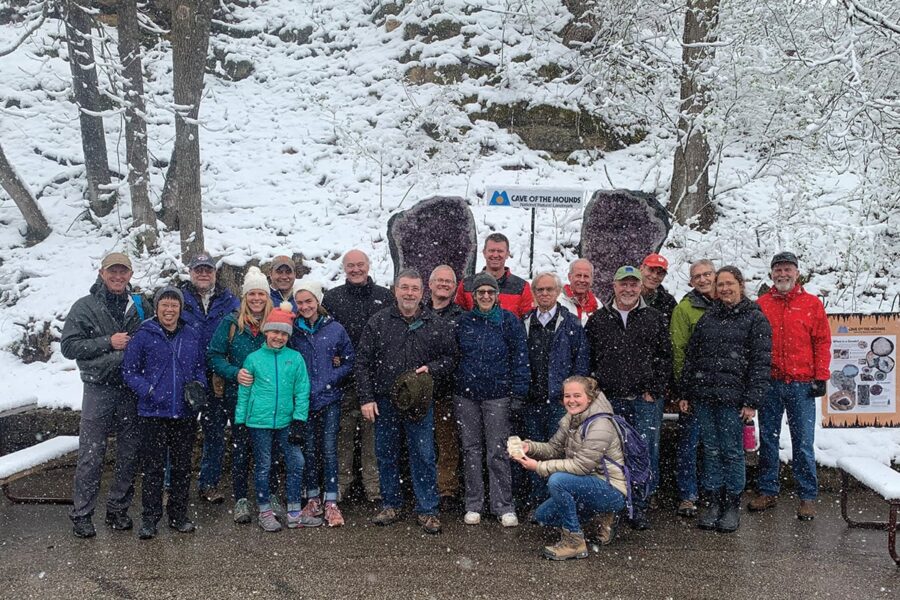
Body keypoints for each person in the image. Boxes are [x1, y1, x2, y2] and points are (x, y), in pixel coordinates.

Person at [355, 268, 457, 534]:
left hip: (419, 403)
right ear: (395, 290)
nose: (409, 293)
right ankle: (391, 504)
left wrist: (432, 368)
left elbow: (451, 358)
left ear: (422, 292)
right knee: (386, 454)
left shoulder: (435, 323)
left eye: (414, 288)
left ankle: (427, 510)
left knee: (423, 455)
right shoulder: (378, 322)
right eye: (405, 288)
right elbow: (363, 362)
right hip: (385, 401)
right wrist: (366, 398)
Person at [60, 252, 151, 538]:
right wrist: (108, 343)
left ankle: (117, 509)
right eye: (112, 271)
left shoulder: (139, 305)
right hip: (98, 390)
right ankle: (82, 515)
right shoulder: (84, 306)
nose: (117, 277)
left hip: (129, 391)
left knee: (129, 452)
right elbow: (70, 346)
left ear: (130, 275)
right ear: (102, 273)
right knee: (91, 454)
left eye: (123, 272)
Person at [681, 266, 772, 533]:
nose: (724, 289)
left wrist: (752, 400)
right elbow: (692, 357)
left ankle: (732, 503)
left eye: (729, 284)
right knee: (710, 450)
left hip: (734, 400)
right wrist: (686, 392)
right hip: (706, 397)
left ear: (741, 285)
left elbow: (761, 363)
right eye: (720, 285)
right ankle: (713, 501)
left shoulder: (755, 318)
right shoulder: (708, 318)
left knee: (732, 453)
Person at [584, 265, 671, 530]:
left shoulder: (655, 317)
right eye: (623, 284)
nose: (629, 289)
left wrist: (654, 389)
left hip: (644, 400)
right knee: (611, 455)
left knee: (644, 452)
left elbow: (665, 357)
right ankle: (614, 505)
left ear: (640, 287)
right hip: (610, 401)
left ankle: (640, 506)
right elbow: (589, 359)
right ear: (614, 286)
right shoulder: (598, 319)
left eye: (633, 284)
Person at [750, 251, 831, 521]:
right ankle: (767, 491)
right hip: (771, 383)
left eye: (788, 269)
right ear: (771, 274)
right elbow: (753, 345)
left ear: (797, 273)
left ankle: (807, 496)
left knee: (803, 443)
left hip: (802, 384)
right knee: (768, 440)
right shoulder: (761, 304)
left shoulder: (811, 304)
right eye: (778, 270)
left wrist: (821, 376)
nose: (783, 274)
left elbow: (821, 341)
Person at [122, 286, 207, 540]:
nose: (169, 310)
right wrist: (148, 390)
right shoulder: (144, 335)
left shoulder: (191, 334)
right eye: (165, 305)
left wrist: (199, 386)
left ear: (180, 309)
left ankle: (178, 515)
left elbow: (201, 367)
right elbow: (129, 372)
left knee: (182, 468)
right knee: (153, 469)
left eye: (174, 305)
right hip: (152, 413)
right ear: (157, 307)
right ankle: (149, 519)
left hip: (184, 413)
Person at [513, 376, 627, 560]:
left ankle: (575, 542)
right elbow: (553, 448)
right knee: (543, 516)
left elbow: (581, 466)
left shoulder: (601, 425)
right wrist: (530, 447)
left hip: (610, 489)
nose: (571, 401)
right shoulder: (572, 418)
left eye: (577, 395)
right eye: (567, 396)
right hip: (584, 485)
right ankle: (599, 518)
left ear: (589, 397)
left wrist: (538, 467)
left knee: (557, 481)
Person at [236, 304, 322, 532]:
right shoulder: (253, 359)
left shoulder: (295, 359)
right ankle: (265, 511)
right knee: (263, 465)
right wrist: (240, 421)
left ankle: (294, 512)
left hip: (286, 422)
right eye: (275, 332)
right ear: (266, 332)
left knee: (297, 462)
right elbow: (244, 392)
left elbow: (302, 391)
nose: (279, 337)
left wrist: (299, 420)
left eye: (284, 333)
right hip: (258, 421)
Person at [455, 272, 529, 527]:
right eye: (481, 292)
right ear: (474, 296)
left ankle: (503, 505)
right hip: (467, 395)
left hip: (498, 395)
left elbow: (520, 358)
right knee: (471, 450)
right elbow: (454, 355)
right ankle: (474, 503)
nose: (486, 296)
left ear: (497, 295)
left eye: (490, 292)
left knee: (497, 451)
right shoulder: (464, 322)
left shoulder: (509, 322)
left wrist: (518, 393)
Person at [322, 249, 392, 504]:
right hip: (343, 380)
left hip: (375, 379)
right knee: (343, 437)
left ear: (368, 265)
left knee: (372, 438)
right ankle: (342, 484)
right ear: (344, 268)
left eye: (360, 264)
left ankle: (373, 487)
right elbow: (324, 333)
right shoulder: (332, 298)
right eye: (350, 265)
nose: (355, 269)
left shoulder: (384, 297)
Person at [207, 266, 273, 524]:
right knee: (242, 449)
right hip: (240, 398)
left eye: (262, 294)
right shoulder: (231, 323)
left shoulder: (275, 322)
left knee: (270, 449)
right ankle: (242, 498)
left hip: (270, 399)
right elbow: (214, 355)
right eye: (252, 295)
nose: (257, 299)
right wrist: (234, 373)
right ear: (245, 297)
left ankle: (267, 496)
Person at [521, 272, 590, 507]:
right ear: (533, 293)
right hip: (532, 400)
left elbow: (580, 363)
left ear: (558, 292)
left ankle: (557, 501)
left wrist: (570, 398)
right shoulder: (525, 321)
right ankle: (537, 501)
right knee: (532, 452)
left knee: (560, 454)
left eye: (549, 289)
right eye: (540, 289)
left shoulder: (571, 323)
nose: (545, 294)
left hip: (559, 403)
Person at [290, 280, 354, 527]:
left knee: (329, 449)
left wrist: (332, 379)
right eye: (301, 302)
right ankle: (312, 496)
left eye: (309, 301)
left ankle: (331, 500)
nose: (305, 306)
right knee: (309, 450)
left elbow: (349, 360)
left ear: (318, 302)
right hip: (303, 400)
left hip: (329, 399)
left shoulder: (335, 328)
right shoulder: (294, 330)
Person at [180, 252, 240, 504]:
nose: (203, 274)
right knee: (180, 435)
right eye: (198, 270)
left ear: (215, 273)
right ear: (190, 272)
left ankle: (208, 483)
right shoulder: (178, 298)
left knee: (214, 434)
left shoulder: (230, 301)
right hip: (185, 376)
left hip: (218, 377)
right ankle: (173, 486)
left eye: (208, 269)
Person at [669, 258, 716, 517]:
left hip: (722, 389)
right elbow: (679, 352)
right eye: (697, 276)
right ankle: (688, 494)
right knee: (690, 443)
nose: (703, 279)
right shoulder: (685, 309)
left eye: (707, 274)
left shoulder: (729, 303)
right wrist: (683, 390)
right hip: (695, 388)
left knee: (715, 444)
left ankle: (712, 491)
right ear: (691, 281)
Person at [428, 265, 464, 509]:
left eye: (448, 282)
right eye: (439, 280)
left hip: (448, 389)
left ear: (455, 287)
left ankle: (446, 490)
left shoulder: (461, 316)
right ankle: (422, 487)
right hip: (418, 391)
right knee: (421, 444)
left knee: (447, 444)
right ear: (429, 284)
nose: (443, 284)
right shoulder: (416, 312)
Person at [455, 233, 533, 317]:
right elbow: (458, 318)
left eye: (500, 251)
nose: (495, 255)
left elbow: (527, 322)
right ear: (484, 252)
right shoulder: (466, 285)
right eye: (491, 251)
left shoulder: (522, 287)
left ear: (507, 254)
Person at [559, 258, 599, 325]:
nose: (582, 280)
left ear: (591, 279)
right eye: (578, 275)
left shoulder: (598, 306)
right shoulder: (557, 302)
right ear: (569, 277)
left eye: (586, 276)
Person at [640, 253, 677, 324]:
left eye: (660, 273)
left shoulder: (668, 301)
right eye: (651, 270)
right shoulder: (626, 293)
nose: (654, 276)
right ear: (642, 268)